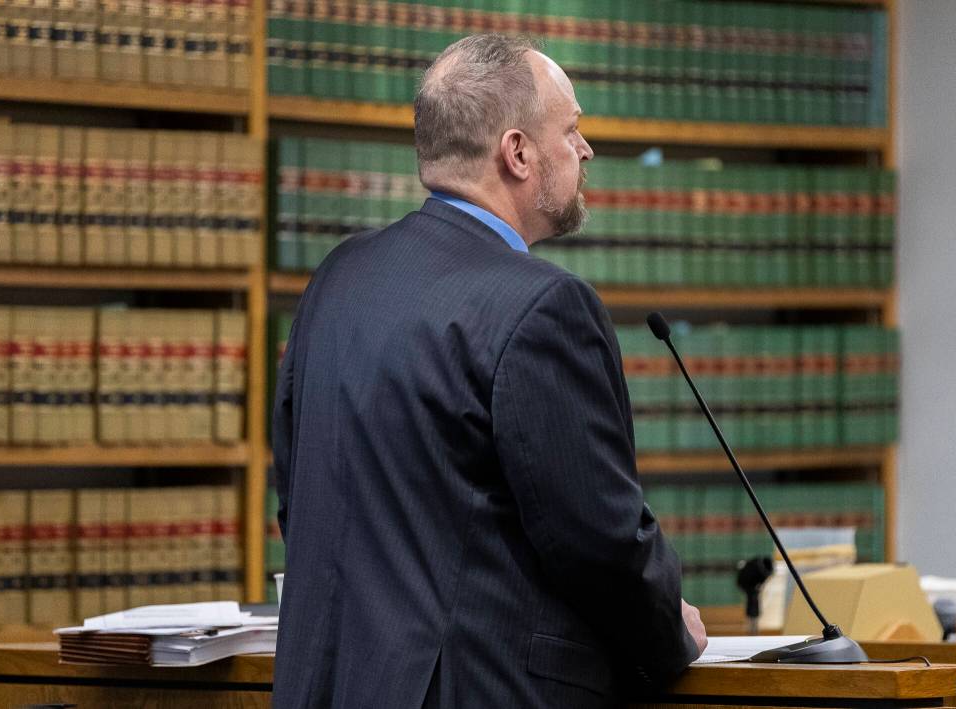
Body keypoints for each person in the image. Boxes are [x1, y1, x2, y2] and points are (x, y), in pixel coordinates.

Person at [272, 34, 707, 709]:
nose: (585, 150)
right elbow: (599, 542)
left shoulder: (337, 279)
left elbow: (299, 502)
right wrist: (669, 629)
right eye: (572, 130)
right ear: (518, 153)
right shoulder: (543, 306)